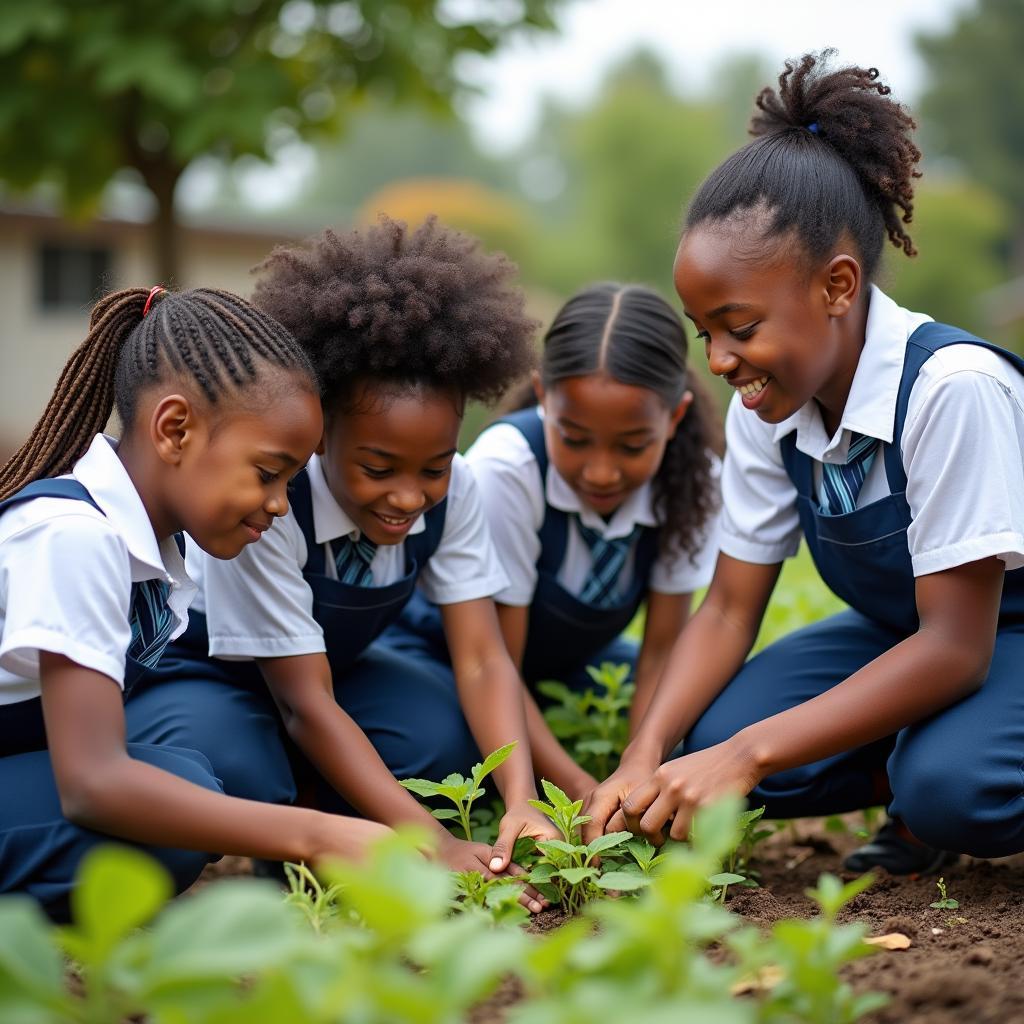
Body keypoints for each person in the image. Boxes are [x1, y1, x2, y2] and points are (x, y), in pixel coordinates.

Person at [584, 51, 1024, 875]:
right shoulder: (775, 401)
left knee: (951, 789)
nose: (718, 360)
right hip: (913, 636)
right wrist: (646, 750)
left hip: (993, 636)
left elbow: (958, 649)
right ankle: (927, 748)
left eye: (739, 327)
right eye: (701, 330)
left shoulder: (950, 391)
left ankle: (935, 788)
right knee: (708, 739)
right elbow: (725, 611)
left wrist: (750, 755)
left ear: (837, 286)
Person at [130, 218, 556, 904]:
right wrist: (434, 845)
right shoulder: (267, 503)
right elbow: (304, 705)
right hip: (213, 676)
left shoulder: (460, 492)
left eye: (434, 467)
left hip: (332, 674)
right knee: (240, 769)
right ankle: (295, 847)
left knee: (445, 742)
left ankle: (339, 826)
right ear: (321, 431)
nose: (410, 496)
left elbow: (481, 658)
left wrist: (523, 799)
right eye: (379, 467)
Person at [0, 285, 390, 921]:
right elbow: (93, 783)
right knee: (162, 819)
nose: (279, 503)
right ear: (175, 429)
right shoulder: (72, 538)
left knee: (184, 778)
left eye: (291, 482)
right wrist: (320, 835)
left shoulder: (154, 549)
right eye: (268, 472)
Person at [388, 283, 721, 799]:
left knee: (703, 708)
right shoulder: (507, 468)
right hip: (458, 660)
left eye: (633, 445)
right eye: (574, 438)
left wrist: (639, 772)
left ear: (674, 418)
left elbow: (661, 653)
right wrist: (579, 788)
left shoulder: (694, 481)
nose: (602, 471)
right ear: (545, 398)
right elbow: (497, 662)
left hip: (565, 669)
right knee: (444, 746)